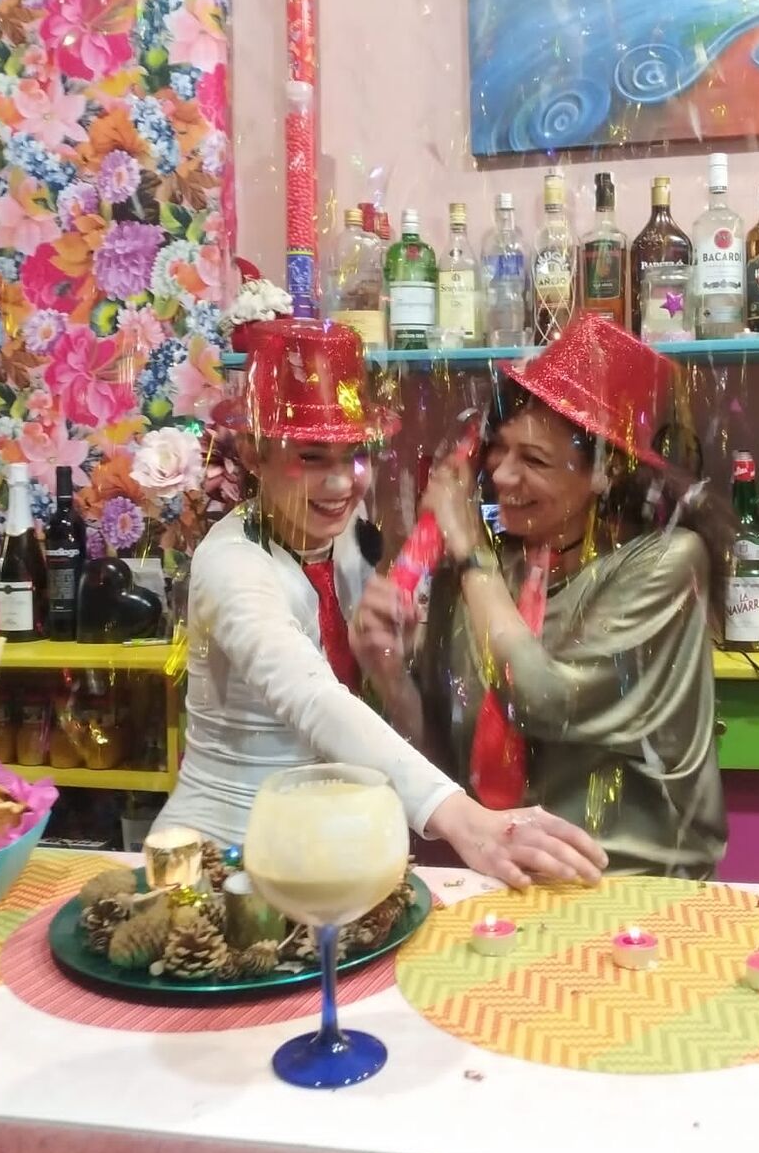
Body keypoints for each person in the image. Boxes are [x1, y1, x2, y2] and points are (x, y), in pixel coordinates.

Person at [153, 319, 605, 891]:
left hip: (321, 857)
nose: (341, 484)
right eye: (312, 457)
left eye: (354, 455)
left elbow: (368, 713)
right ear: (253, 454)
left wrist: (388, 665)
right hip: (220, 862)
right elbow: (312, 699)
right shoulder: (231, 566)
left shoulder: (345, 541)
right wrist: (465, 820)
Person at [352, 315, 728, 878]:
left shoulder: (667, 562)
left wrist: (469, 548)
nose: (502, 476)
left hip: (633, 886)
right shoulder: (485, 572)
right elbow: (447, 774)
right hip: (505, 875)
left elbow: (545, 699)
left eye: (534, 460)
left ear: (606, 471)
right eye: (499, 450)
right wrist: (389, 675)